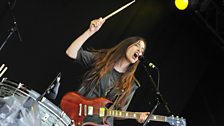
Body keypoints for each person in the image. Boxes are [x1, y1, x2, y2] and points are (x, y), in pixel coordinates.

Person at [65, 17, 149, 126]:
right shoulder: (101, 60)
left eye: (142, 50)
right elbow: (71, 52)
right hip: (76, 113)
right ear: (127, 45)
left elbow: (119, 112)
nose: (139, 51)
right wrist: (90, 31)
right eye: (137, 45)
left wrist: (137, 116)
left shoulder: (131, 84)